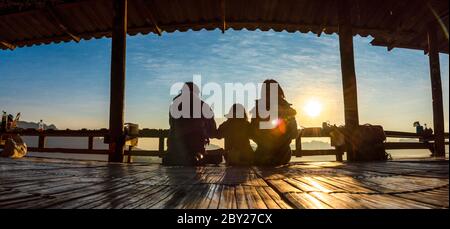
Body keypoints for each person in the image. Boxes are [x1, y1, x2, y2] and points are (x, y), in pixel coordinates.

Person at [163, 82, 217, 166]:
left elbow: (172, 124)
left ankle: (173, 157)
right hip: (195, 148)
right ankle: (195, 157)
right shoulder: (204, 106)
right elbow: (212, 132)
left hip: (173, 146)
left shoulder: (174, 105)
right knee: (199, 156)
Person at [250, 79, 298, 166]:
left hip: (262, 157)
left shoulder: (258, 109)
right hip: (283, 157)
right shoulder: (288, 110)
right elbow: (294, 134)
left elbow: (252, 133)